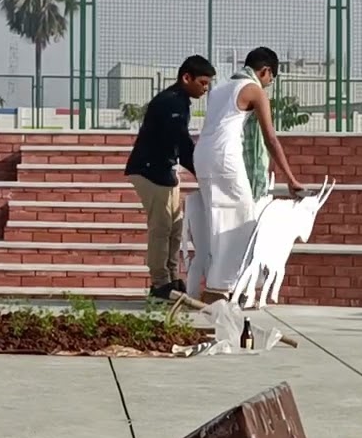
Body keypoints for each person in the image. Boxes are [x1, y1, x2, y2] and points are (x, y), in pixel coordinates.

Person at [190, 46, 305, 304]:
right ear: (265, 71)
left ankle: (216, 284)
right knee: (244, 220)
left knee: (217, 218)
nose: (269, 84)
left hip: (204, 156)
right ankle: (223, 288)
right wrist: (290, 178)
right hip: (224, 158)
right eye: (271, 79)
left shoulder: (220, 88)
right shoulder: (254, 90)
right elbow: (271, 138)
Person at [123, 55, 215, 300]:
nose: (205, 89)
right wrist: (202, 172)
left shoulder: (181, 101)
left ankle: (172, 278)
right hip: (150, 171)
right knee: (161, 228)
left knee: (175, 228)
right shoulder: (170, 102)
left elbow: (181, 144)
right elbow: (181, 142)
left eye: (208, 84)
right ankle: (160, 283)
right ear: (187, 78)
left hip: (164, 171)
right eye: (202, 82)